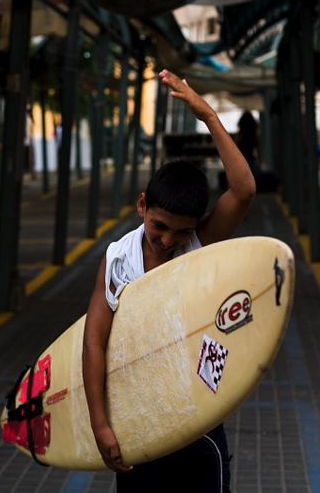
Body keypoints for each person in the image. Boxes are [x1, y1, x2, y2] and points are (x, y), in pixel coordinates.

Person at [82, 69, 256, 492]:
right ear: (143, 205)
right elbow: (93, 341)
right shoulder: (118, 259)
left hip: (199, 414)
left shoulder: (199, 240)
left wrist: (209, 116)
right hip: (137, 418)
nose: (168, 240)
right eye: (160, 226)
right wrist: (101, 425)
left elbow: (245, 189)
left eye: (180, 231)